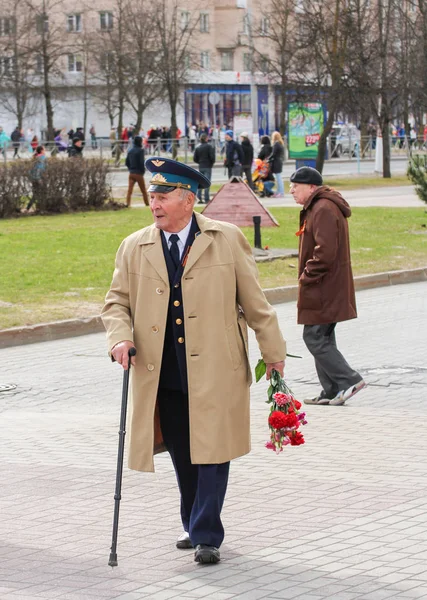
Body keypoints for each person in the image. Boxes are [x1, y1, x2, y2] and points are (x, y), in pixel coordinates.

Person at [102, 158, 286, 565]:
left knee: (213, 451)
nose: (155, 204)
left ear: (188, 200)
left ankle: (206, 533)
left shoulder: (226, 239)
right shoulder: (135, 246)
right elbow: (116, 303)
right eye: (153, 196)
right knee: (184, 453)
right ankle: (192, 522)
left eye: (163, 196)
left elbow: (255, 303)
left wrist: (273, 354)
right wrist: (120, 338)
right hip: (163, 370)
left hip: (218, 368)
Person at [289, 166, 365, 407]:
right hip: (324, 286)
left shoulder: (322, 208)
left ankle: (349, 380)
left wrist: (306, 275)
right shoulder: (318, 207)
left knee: (314, 337)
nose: (291, 190)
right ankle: (331, 390)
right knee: (321, 337)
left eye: (295, 186)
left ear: (311, 187)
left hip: (324, 287)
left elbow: (326, 252)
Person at [125, 135, 148, 207]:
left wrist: (130, 169)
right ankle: (147, 203)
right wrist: (143, 171)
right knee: (143, 190)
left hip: (131, 173)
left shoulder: (130, 151)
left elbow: (127, 162)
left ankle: (128, 203)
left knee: (129, 190)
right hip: (139, 173)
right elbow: (141, 162)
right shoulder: (141, 151)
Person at [193, 133, 215, 203]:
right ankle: (206, 198)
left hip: (201, 166)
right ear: (206, 139)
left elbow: (195, 158)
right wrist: (211, 163)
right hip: (208, 166)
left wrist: (199, 162)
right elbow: (212, 157)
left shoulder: (198, 147)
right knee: (207, 183)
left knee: (201, 183)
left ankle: (199, 198)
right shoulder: (209, 147)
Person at [25, 145, 47, 211]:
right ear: (41, 151)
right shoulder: (42, 158)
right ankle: (41, 208)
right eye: (44, 149)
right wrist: (39, 179)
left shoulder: (35, 157)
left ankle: (28, 207)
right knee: (42, 193)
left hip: (34, 178)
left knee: (36, 193)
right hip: (38, 178)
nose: (45, 151)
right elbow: (39, 168)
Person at [270, 131, 285, 197]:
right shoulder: (280, 143)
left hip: (276, 162)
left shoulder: (276, 144)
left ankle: (281, 192)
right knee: (278, 177)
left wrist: (268, 159)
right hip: (279, 161)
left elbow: (273, 154)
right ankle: (279, 191)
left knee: (278, 178)